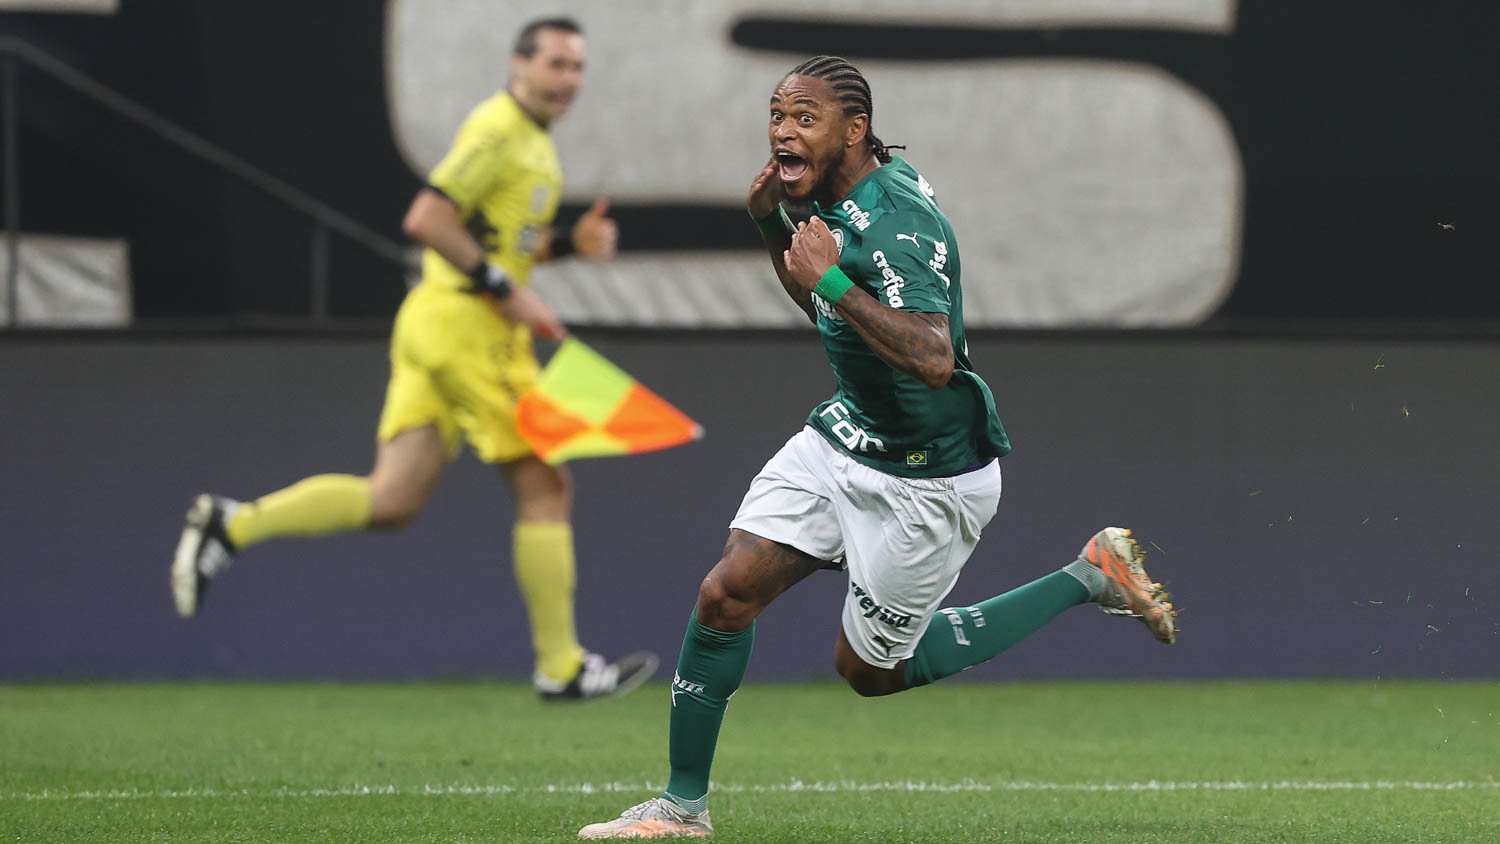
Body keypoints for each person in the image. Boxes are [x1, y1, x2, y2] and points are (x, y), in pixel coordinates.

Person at [577, 55, 1179, 838]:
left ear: (854, 130)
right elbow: (828, 308)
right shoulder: (832, 201)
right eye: (777, 114)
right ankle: (682, 809)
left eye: (804, 118)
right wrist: (771, 227)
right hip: (846, 436)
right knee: (726, 594)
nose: (782, 130)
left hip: (928, 477)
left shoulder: (897, 223)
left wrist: (831, 281)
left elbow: (932, 358)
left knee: (870, 672)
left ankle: (1087, 576)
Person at [170, 17, 657, 702]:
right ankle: (562, 665)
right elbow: (428, 219)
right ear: (519, 66)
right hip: (467, 328)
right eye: (555, 64)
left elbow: (497, 244)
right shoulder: (496, 130)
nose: (567, 80)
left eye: (577, 68)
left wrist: (567, 246)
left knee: (391, 499)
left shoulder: (533, 146)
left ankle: (233, 522)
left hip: (438, 318)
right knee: (546, 485)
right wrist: (505, 293)